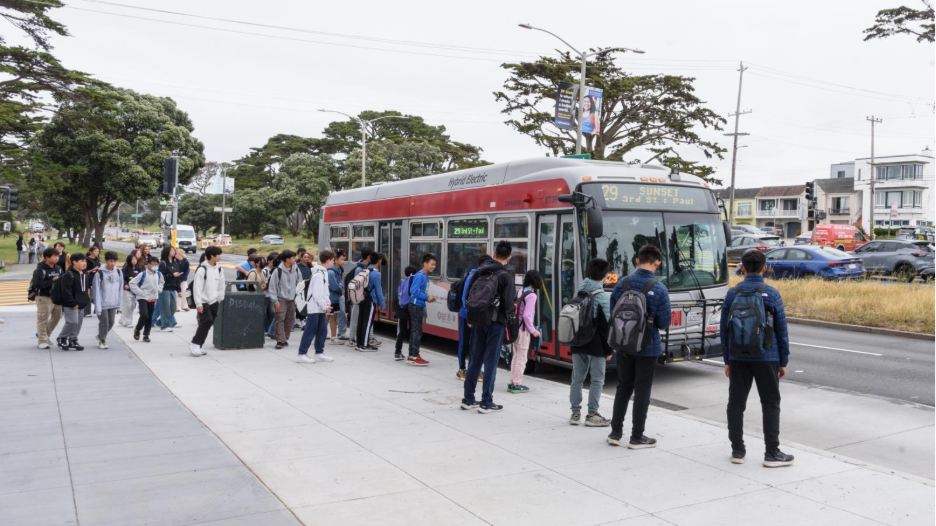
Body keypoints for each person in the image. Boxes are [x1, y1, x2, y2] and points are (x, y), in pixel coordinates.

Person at [721, 249, 794, 468]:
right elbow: (781, 330)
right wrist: (783, 361)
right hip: (766, 355)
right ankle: (772, 453)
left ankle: (737, 451)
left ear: (742, 268)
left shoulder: (733, 293)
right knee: (770, 402)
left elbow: (724, 330)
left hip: (738, 356)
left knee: (736, 403)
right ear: (764, 268)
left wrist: (727, 359)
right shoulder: (771, 293)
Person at [607, 245, 670, 448]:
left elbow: (612, 313)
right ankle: (637, 437)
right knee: (642, 391)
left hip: (623, 344)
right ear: (657, 262)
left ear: (637, 260)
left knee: (623, 387)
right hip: (647, 347)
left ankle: (615, 433)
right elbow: (664, 322)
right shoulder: (659, 288)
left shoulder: (621, 284)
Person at [461, 241, 515, 413]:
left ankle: (468, 399)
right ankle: (486, 402)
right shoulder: (506, 276)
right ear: (509, 257)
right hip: (495, 322)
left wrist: (471, 317)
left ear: (494, 252)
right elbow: (509, 304)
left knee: (475, 359)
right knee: (491, 361)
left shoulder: (480, 271)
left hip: (477, 321)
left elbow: (469, 296)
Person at [568, 258, 613, 426]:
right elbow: (606, 326)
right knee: (597, 380)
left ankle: (575, 414)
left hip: (578, 342)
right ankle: (592, 414)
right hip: (596, 345)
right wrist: (609, 350)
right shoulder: (602, 297)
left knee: (577, 379)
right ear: (605, 276)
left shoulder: (579, 292)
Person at [297, 249, 336, 363]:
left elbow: (325, 291)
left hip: (320, 307)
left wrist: (327, 303)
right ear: (328, 260)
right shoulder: (319, 274)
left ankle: (319, 352)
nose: (333, 262)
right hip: (314, 307)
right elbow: (317, 294)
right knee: (310, 330)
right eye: (332, 260)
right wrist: (325, 306)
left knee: (322, 330)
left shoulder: (323, 272)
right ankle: (302, 353)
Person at [457, 254, 492, 380]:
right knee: (464, 342)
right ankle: (462, 369)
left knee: (476, 344)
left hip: (477, 317)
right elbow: (465, 297)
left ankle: (474, 369)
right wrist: (469, 316)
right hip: (466, 316)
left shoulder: (485, 277)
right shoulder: (472, 277)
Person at [509, 270, 543, 394]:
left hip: (515, 328)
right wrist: (533, 331)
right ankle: (517, 384)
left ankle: (512, 381)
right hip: (523, 330)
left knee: (516, 356)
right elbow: (527, 316)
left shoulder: (520, 291)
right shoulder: (532, 295)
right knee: (522, 358)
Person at [191, 246, 226, 357]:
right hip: (203, 301)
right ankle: (195, 344)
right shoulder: (202, 269)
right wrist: (198, 303)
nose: (220, 256)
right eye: (219, 254)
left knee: (208, 323)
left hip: (214, 301)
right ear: (212, 256)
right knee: (206, 321)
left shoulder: (219, 269)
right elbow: (197, 287)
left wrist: (219, 298)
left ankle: (199, 345)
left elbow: (221, 285)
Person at [406, 253, 437, 365]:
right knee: (416, 331)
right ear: (425, 264)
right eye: (432, 264)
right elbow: (413, 291)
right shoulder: (420, 276)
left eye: (435, 265)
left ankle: (413, 354)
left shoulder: (424, 275)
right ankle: (414, 356)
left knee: (416, 331)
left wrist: (427, 298)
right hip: (415, 306)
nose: (433, 267)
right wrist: (427, 297)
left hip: (418, 305)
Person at [56, 253, 89, 351]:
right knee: (72, 322)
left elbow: (86, 288)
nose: (84, 263)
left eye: (85, 261)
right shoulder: (69, 274)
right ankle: (62, 337)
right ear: (74, 262)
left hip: (81, 303)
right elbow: (66, 291)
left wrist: (86, 300)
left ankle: (73, 339)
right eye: (82, 261)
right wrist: (72, 303)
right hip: (71, 304)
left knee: (78, 323)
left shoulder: (85, 273)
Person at [268, 249, 300, 349]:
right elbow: (272, 287)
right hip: (280, 299)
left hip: (292, 299)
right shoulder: (278, 271)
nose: (295, 259)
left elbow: (300, 283)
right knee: (280, 319)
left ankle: (285, 338)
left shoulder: (296, 269)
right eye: (293, 257)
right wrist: (275, 301)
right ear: (287, 259)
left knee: (289, 319)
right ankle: (280, 340)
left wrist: (298, 297)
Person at [129, 256, 164, 343]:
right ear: (148, 265)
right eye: (153, 264)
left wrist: (159, 289)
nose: (155, 266)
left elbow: (161, 283)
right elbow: (132, 283)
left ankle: (146, 335)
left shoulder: (159, 274)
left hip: (152, 298)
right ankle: (138, 329)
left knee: (149, 317)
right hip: (143, 298)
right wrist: (140, 292)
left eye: (156, 264)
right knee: (144, 315)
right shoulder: (143, 274)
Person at [33, 247, 63, 349]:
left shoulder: (58, 268)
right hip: (44, 297)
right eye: (54, 256)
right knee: (43, 319)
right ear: (46, 258)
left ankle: (45, 335)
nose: (56, 258)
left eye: (57, 256)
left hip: (57, 297)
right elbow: (37, 284)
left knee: (57, 317)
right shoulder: (40, 270)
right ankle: (42, 340)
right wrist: (52, 281)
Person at [92, 251, 123, 349]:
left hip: (113, 303)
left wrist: (119, 305)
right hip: (102, 303)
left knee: (111, 322)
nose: (112, 263)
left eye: (114, 261)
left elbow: (120, 288)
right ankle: (102, 340)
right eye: (110, 261)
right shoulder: (99, 273)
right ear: (106, 261)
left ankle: (101, 336)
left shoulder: (118, 272)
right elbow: (96, 290)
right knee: (104, 323)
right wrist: (98, 306)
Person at [356, 252, 385, 352]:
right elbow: (378, 290)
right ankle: (364, 345)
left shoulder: (366, 269)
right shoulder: (376, 273)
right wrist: (381, 303)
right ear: (379, 260)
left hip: (362, 298)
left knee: (361, 321)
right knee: (368, 323)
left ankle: (359, 343)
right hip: (370, 300)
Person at [346, 247, 372, 347]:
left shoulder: (366, 267)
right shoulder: (359, 269)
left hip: (363, 298)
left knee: (361, 318)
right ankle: (352, 338)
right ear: (368, 257)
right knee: (355, 318)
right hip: (358, 298)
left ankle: (361, 337)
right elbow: (357, 284)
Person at [394, 265, 418, 361]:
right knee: (413, 331)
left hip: (401, 309)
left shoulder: (402, 282)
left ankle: (398, 352)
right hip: (411, 308)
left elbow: (397, 295)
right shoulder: (414, 281)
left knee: (401, 332)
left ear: (405, 274)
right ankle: (411, 353)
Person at [155, 246, 181, 331]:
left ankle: (160, 321)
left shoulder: (175, 263)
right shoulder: (163, 263)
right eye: (171, 250)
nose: (173, 252)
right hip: (164, 288)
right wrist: (172, 275)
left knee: (173, 308)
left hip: (173, 288)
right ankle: (165, 325)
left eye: (174, 250)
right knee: (165, 307)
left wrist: (179, 289)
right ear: (167, 252)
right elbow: (160, 276)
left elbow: (177, 278)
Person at [327, 248, 348, 343]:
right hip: (331, 298)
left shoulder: (339, 270)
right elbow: (335, 286)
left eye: (344, 259)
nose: (343, 262)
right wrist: (340, 287)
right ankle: (322, 335)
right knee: (327, 317)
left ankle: (334, 337)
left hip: (336, 297)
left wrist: (340, 286)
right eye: (341, 259)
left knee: (334, 317)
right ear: (335, 260)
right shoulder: (331, 272)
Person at [119, 250, 141, 327]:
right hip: (127, 290)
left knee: (132, 306)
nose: (134, 261)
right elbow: (122, 278)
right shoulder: (125, 268)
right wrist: (125, 284)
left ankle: (122, 319)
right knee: (127, 305)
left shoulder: (138, 268)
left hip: (135, 290)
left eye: (135, 259)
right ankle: (127, 322)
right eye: (133, 259)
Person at [84, 246, 101, 317]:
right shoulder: (86, 260)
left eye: (97, 251)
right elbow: (84, 271)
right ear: (91, 252)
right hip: (88, 278)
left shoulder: (97, 259)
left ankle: (97, 308)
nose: (97, 253)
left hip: (96, 278)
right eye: (95, 251)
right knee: (88, 295)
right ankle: (87, 311)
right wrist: (93, 269)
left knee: (97, 293)